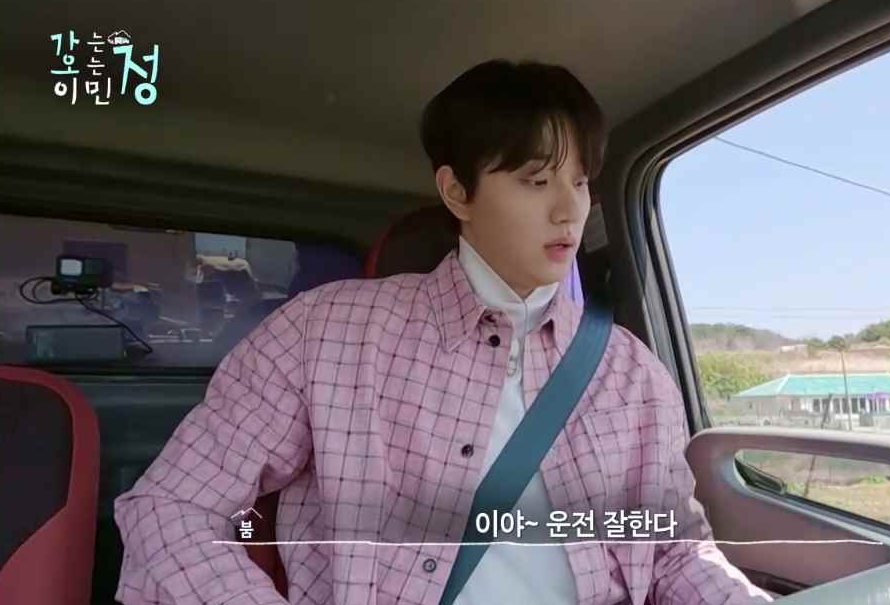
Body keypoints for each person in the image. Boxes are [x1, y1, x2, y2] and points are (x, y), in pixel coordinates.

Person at [113, 59, 772, 605]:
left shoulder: (630, 371)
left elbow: (675, 551)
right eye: (536, 180)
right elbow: (170, 507)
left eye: (579, 182)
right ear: (457, 193)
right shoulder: (325, 332)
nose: (568, 209)